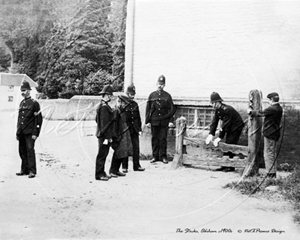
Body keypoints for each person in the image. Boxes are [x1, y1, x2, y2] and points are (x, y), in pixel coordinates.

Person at [205, 92, 245, 171]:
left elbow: (225, 125)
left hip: (236, 127)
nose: (212, 105)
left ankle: (230, 166)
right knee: (227, 144)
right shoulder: (218, 110)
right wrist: (211, 134)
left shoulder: (227, 110)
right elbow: (214, 122)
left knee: (229, 144)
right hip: (229, 126)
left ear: (218, 102)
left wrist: (220, 137)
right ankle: (224, 165)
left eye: (213, 103)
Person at [248, 92, 283, 178]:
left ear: (271, 100)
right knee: (272, 153)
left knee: (268, 153)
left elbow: (260, 113)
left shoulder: (273, 108)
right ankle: (272, 172)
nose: (268, 102)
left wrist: (250, 112)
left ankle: (270, 174)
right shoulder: (279, 108)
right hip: (275, 133)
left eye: (268, 100)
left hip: (270, 134)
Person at [145, 75, 175, 164]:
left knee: (162, 139)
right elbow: (148, 109)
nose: (160, 86)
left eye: (162, 84)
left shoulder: (167, 96)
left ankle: (163, 156)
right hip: (154, 121)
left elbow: (171, 109)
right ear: (156, 84)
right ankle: (155, 156)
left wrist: (170, 121)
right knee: (154, 138)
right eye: (158, 83)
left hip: (164, 122)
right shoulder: (151, 95)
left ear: (164, 85)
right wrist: (147, 121)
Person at [16, 81, 43, 178]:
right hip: (22, 132)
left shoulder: (34, 103)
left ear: (28, 91)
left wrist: (36, 133)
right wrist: (17, 132)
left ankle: (32, 171)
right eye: (21, 91)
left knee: (30, 150)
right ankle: (24, 169)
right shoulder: (22, 103)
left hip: (30, 132)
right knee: (22, 151)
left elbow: (38, 119)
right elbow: (19, 119)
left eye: (24, 90)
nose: (22, 92)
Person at [121, 85, 145, 172]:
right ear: (127, 94)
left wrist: (139, 129)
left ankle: (136, 165)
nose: (132, 96)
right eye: (131, 94)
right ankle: (124, 166)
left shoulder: (135, 104)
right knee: (126, 148)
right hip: (126, 129)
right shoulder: (123, 104)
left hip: (134, 129)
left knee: (136, 148)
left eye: (133, 94)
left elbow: (138, 117)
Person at [109, 94, 133, 177]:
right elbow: (114, 125)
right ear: (120, 102)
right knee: (117, 153)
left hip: (123, 134)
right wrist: (115, 136)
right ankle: (112, 170)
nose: (125, 105)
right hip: (118, 135)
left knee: (122, 153)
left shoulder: (121, 110)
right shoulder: (116, 110)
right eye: (124, 103)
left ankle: (116, 170)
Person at [95, 85, 115, 181]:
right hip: (104, 136)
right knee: (102, 155)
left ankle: (102, 172)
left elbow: (97, 120)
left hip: (102, 134)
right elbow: (104, 124)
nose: (111, 97)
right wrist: (107, 137)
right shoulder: (104, 107)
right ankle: (99, 174)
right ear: (106, 95)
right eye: (110, 95)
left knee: (104, 154)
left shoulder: (103, 106)